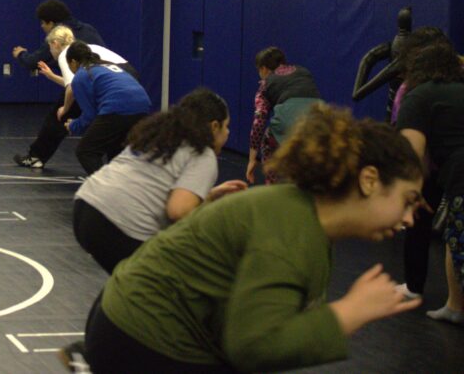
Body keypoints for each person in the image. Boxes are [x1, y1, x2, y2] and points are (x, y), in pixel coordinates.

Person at [85, 103, 424, 372]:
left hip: (129, 321)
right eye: (407, 201)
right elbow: (253, 346)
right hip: (138, 338)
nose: (409, 219)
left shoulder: (302, 217)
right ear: (368, 180)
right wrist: (349, 312)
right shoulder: (291, 231)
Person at [73, 88, 246, 273]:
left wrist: (209, 196)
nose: (227, 133)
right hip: (121, 224)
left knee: (129, 287)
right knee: (162, 287)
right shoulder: (203, 154)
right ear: (214, 127)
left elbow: (160, 187)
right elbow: (179, 211)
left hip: (85, 207)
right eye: (226, 126)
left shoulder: (158, 136)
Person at [397, 43, 464, 325]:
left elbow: (413, 155)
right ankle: (455, 305)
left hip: (461, 176)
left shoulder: (418, 98)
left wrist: (408, 196)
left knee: (457, 239)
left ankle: (456, 307)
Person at [14, 25, 135, 169]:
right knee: (113, 126)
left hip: (114, 83)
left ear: (55, 44)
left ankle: (36, 156)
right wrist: (52, 77)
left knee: (59, 116)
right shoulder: (84, 48)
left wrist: (64, 109)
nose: (51, 53)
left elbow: (72, 89)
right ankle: (116, 169)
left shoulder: (67, 54)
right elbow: (77, 83)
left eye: (50, 48)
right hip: (130, 81)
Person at [12, 0, 106, 168]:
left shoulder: (59, 39)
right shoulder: (89, 29)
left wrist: (21, 54)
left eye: (43, 23)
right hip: (104, 82)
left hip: (84, 82)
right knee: (106, 121)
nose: (42, 27)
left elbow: (33, 62)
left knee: (58, 117)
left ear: (52, 23)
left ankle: (36, 157)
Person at [64, 42, 150, 174]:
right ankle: (122, 187)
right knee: (116, 151)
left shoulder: (81, 75)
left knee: (86, 151)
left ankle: (103, 188)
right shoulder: (107, 66)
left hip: (118, 108)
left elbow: (90, 116)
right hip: (143, 106)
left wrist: (73, 126)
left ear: (73, 62)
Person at [245, 46, 322, 184]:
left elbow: (259, 121)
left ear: (263, 69)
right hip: (321, 121)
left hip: (289, 122)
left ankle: (272, 186)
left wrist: (252, 160)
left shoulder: (265, 85)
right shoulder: (304, 72)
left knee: (268, 141)